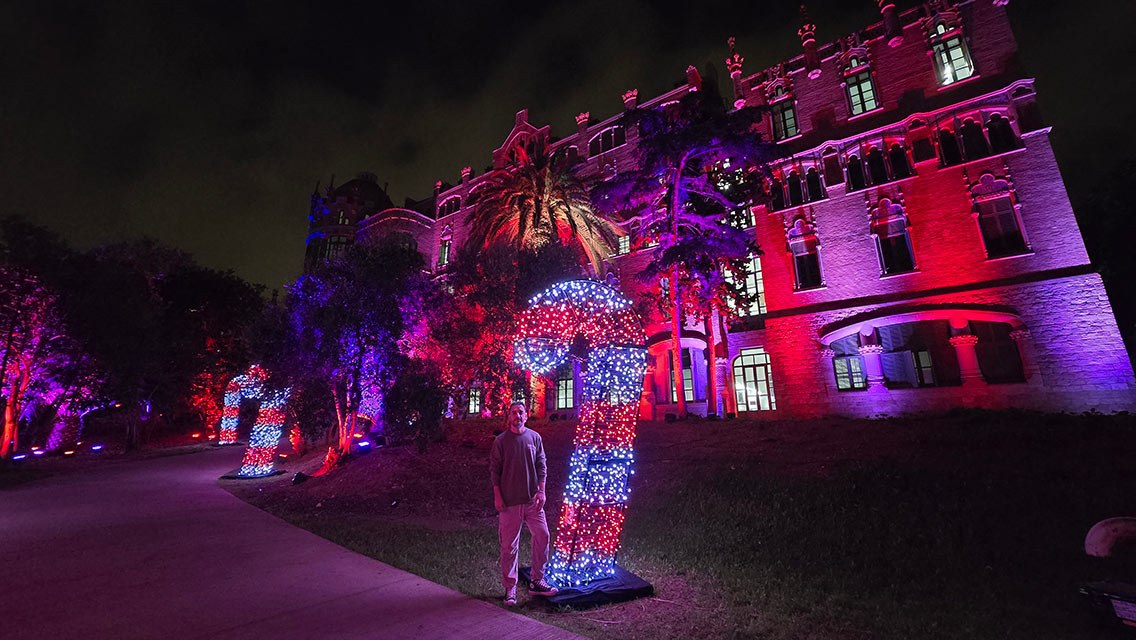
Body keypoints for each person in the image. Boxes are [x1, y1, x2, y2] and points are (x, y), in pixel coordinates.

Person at [490, 401, 558, 605]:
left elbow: (541, 465)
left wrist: (542, 491)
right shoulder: (501, 441)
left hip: (532, 501)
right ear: (508, 417)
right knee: (509, 546)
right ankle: (510, 588)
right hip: (510, 502)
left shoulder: (535, 438)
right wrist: (498, 496)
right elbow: (495, 470)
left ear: (526, 416)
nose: (517, 416)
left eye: (521, 412)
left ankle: (537, 580)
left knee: (543, 535)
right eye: (513, 413)